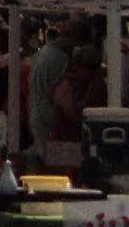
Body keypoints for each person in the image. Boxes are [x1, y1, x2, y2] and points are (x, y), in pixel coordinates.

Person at [26, 19, 85, 152]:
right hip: (49, 119)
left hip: (36, 113)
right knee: (53, 165)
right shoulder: (61, 59)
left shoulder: (41, 53)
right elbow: (63, 95)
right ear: (73, 38)